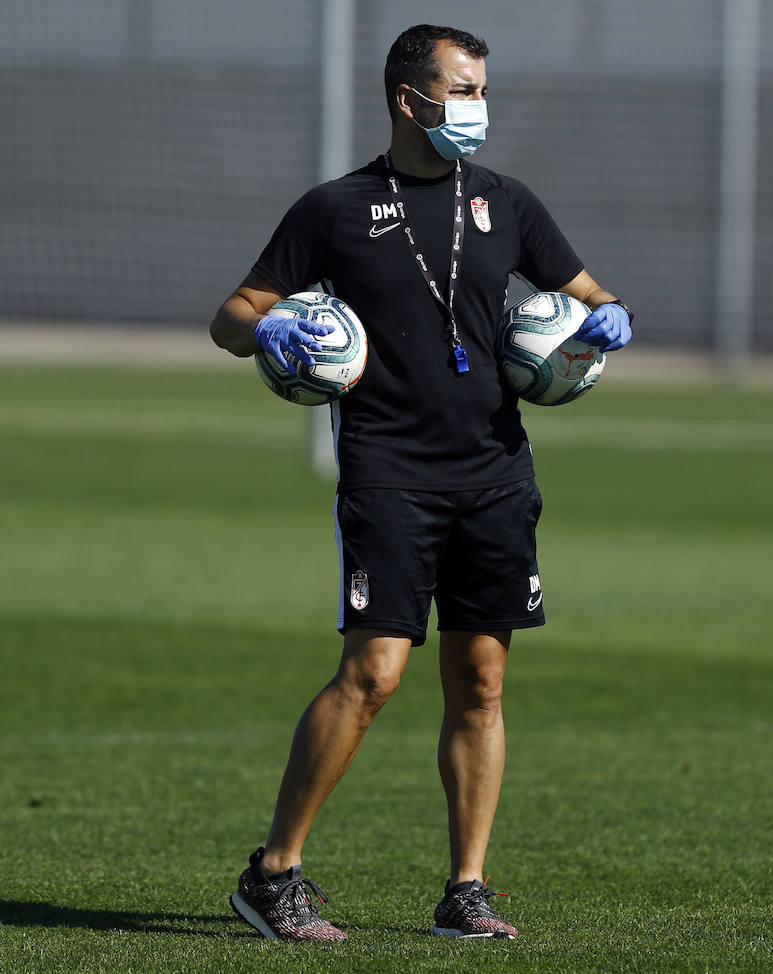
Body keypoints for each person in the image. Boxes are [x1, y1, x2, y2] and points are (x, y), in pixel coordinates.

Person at [209, 24, 633, 942]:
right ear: (411, 100)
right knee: (374, 673)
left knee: (481, 681)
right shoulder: (334, 209)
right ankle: (273, 875)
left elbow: (595, 295)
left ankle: (466, 891)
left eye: (483, 90)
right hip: (389, 474)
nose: (477, 108)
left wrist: (608, 323)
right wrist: (267, 333)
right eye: (462, 90)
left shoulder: (509, 203)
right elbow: (232, 314)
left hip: (496, 473)